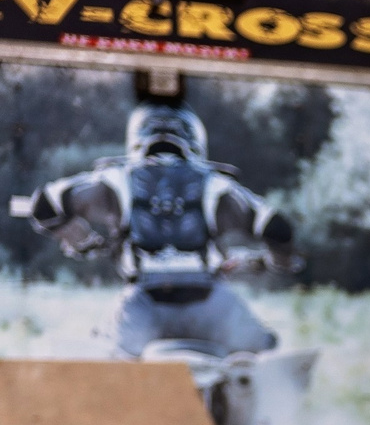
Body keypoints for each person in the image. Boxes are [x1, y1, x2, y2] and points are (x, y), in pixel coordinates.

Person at [19, 101, 296, 358]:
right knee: (264, 353)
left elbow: (44, 205)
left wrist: (82, 239)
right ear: (196, 138)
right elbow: (278, 228)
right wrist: (276, 261)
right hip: (212, 306)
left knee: (104, 359)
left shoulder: (115, 179)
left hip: (141, 307)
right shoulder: (217, 183)